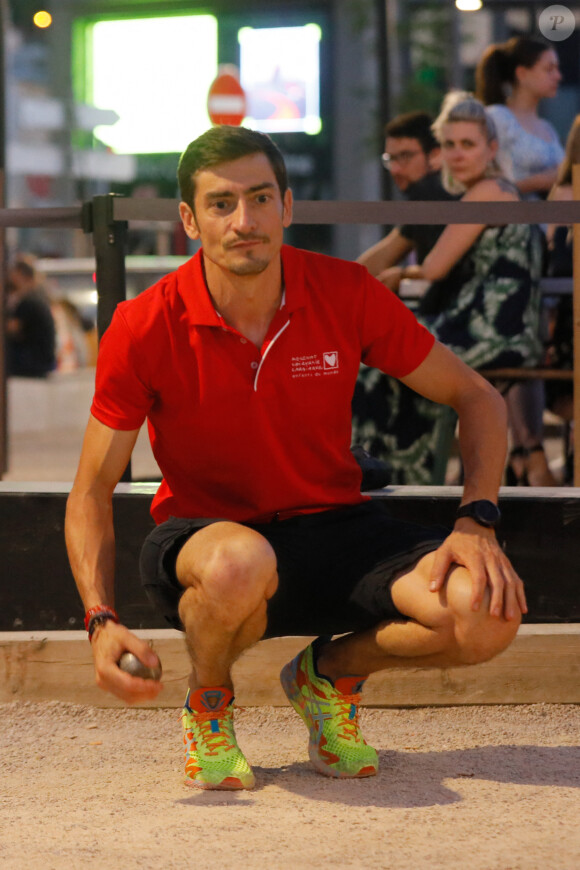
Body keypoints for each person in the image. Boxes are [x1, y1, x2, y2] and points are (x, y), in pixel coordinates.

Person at [66, 126, 526, 792]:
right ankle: (211, 707)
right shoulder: (144, 324)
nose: (244, 221)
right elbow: (91, 490)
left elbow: (478, 399)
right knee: (237, 562)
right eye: (222, 204)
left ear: (287, 207)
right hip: (211, 541)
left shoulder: (346, 292)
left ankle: (327, 676)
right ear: (191, 221)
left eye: (259, 199)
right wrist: (100, 621)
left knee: (487, 615)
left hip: (334, 527)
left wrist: (476, 522)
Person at [353, 93, 543, 484]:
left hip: (492, 329)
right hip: (498, 325)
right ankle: (399, 472)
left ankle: (399, 476)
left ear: (491, 148)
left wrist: (399, 277)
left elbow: (435, 268)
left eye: (468, 145)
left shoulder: (487, 191)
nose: (457, 155)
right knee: (385, 358)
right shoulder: (497, 189)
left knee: (378, 361)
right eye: (450, 145)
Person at [357, 111, 456, 282]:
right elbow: (387, 252)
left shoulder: (430, 192)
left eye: (404, 156)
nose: (395, 169)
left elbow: (384, 259)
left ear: (434, 155)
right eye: (391, 159)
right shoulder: (426, 195)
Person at [475, 36, 564, 199]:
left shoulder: (547, 127)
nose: (558, 76)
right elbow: (483, 183)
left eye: (557, 69)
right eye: (549, 69)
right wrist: (543, 180)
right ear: (522, 73)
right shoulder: (497, 117)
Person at [5, 257, 57, 378]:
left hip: (32, 365)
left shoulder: (29, 301)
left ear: (21, 276)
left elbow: (11, 328)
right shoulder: (38, 297)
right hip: (41, 363)